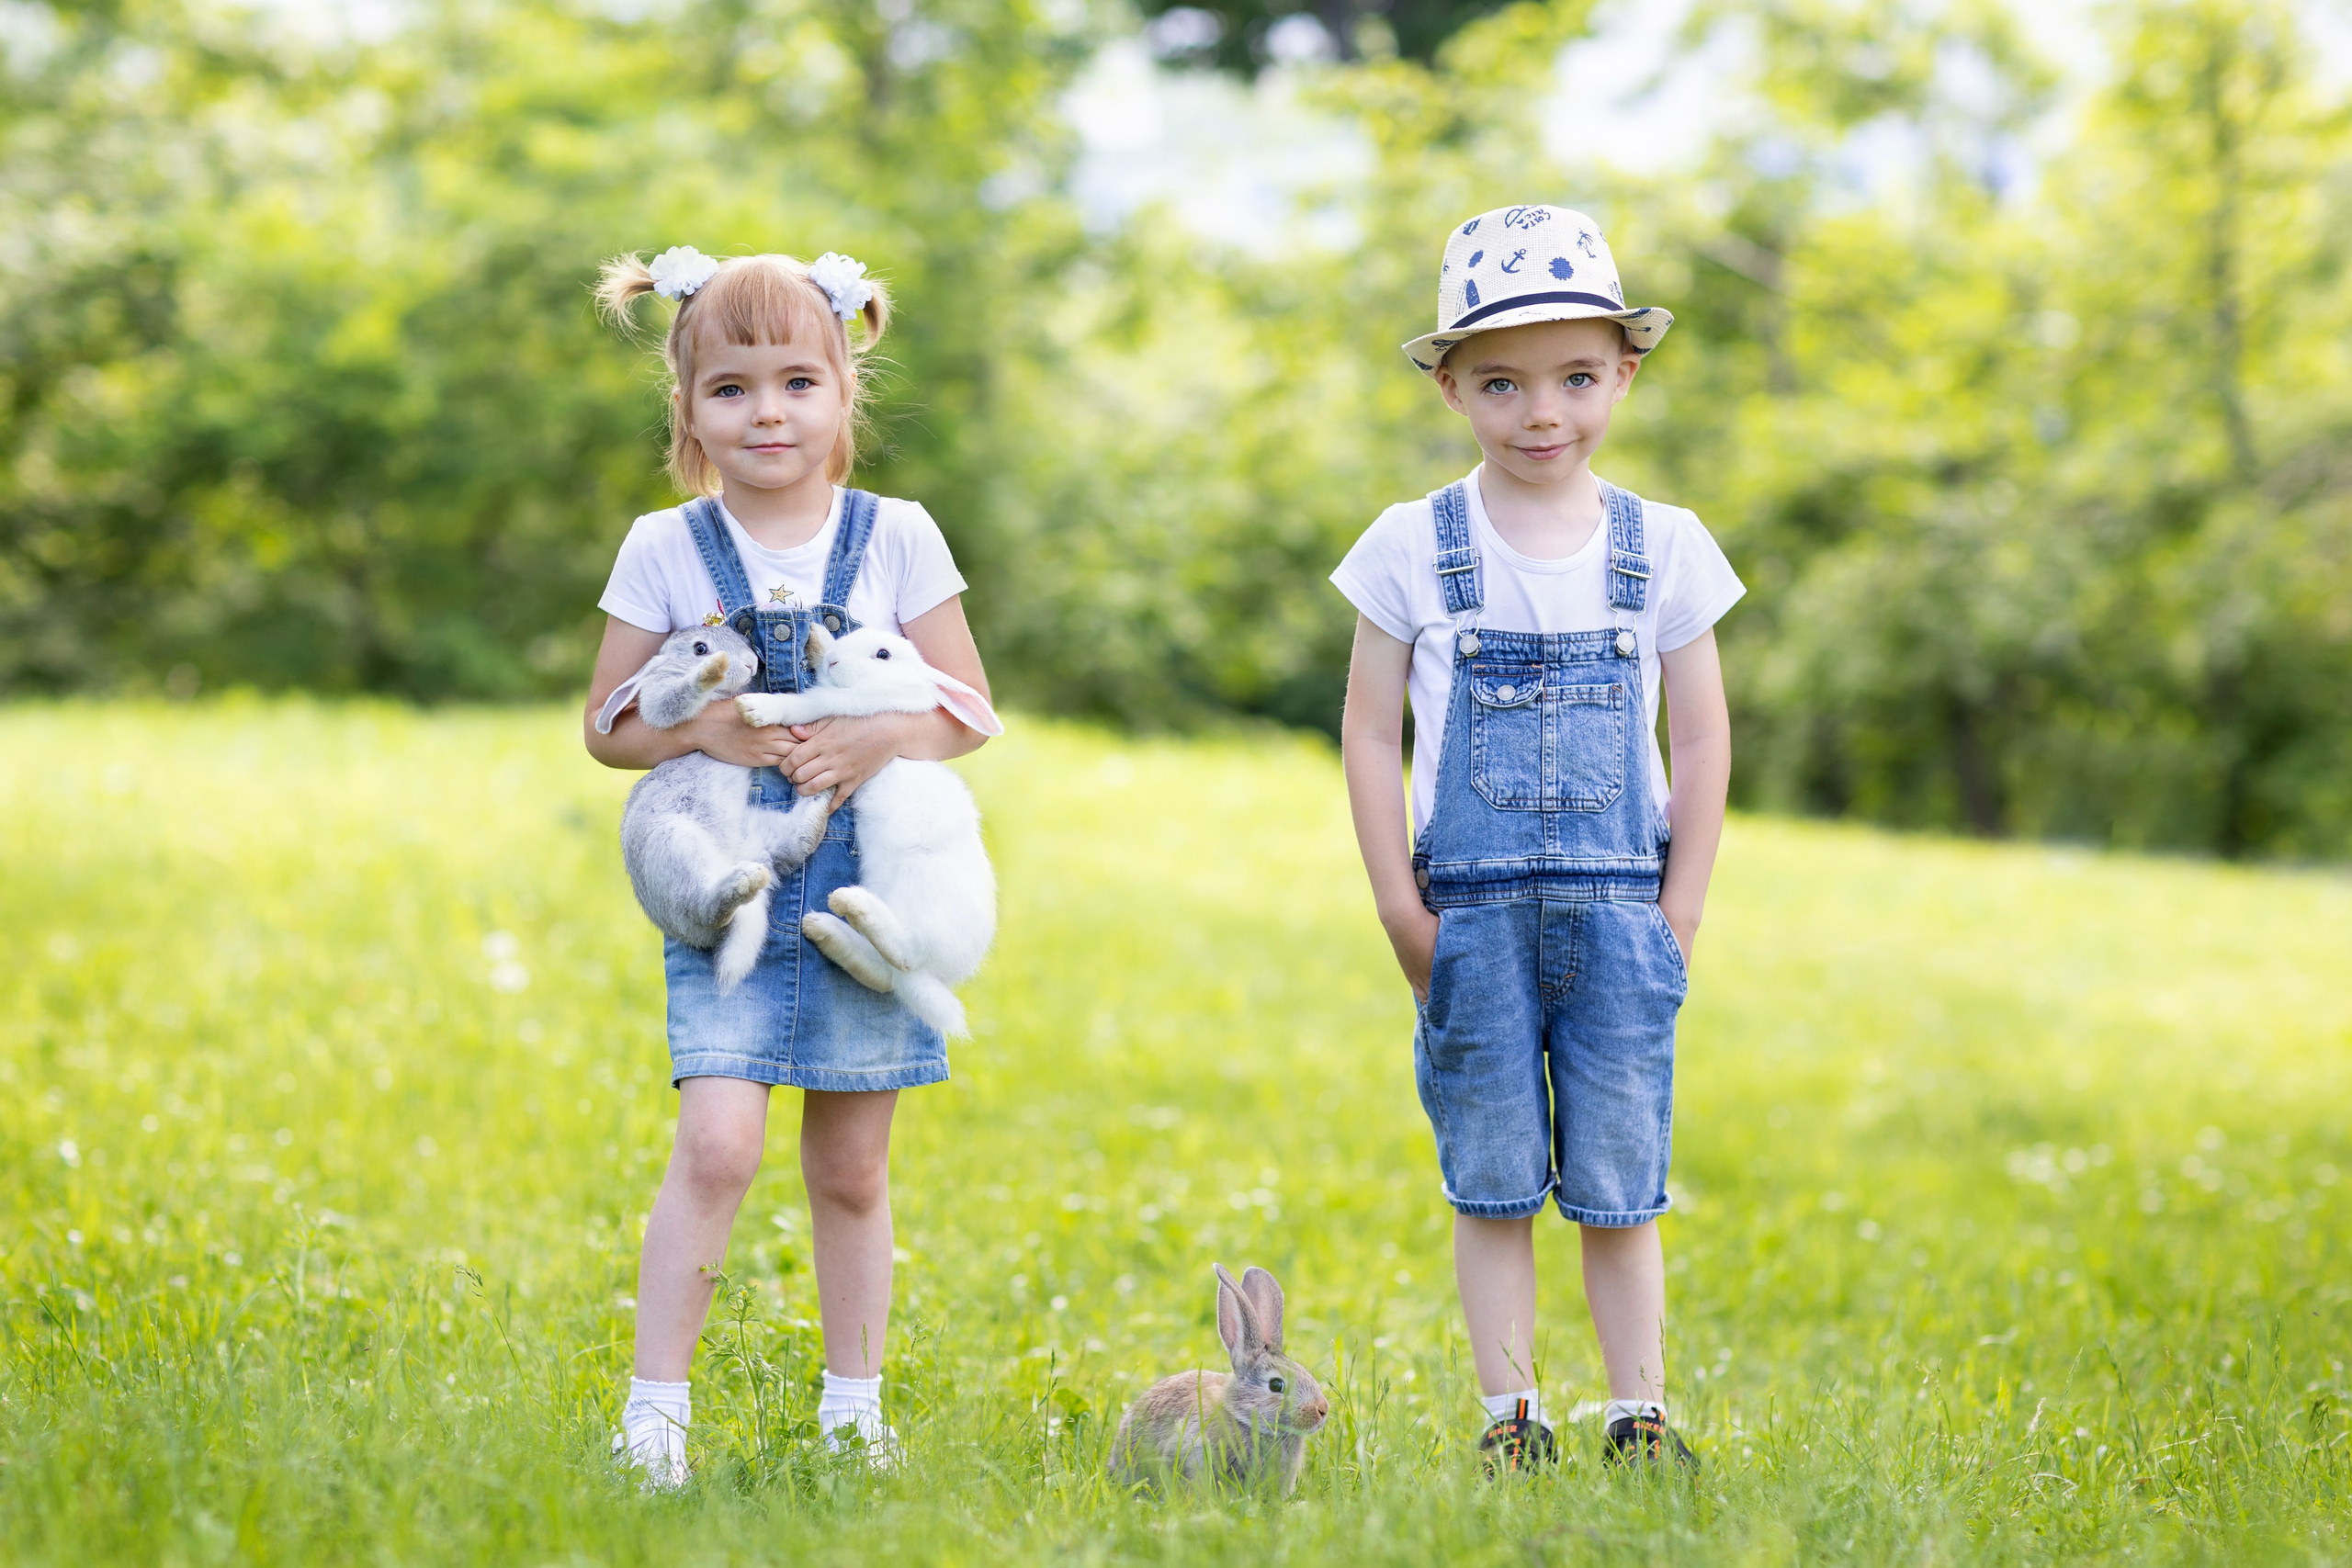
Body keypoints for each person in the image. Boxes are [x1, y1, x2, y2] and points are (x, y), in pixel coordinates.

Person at [1333, 206, 1742, 1472]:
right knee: (1493, 1178)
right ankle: (1511, 1417)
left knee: (1623, 1180)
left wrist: (1680, 908)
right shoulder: (1412, 545)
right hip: (1471, 916)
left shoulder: (1662, 546)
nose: (1541, 412)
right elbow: (1365, 735)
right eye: (1502, 383)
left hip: (1625, 914)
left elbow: (1705, 738)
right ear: (1452, 386)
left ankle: (1640, 1412)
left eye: (1575, 377)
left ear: (1624, 372)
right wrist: (1402, 907)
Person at [582, 246, 993, 1484]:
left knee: (853, 1166)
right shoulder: (667, 546)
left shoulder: (896, 538)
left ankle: (851, 1411)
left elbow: (970, 711)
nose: (768, 411)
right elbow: (607, 728)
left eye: (798, 381)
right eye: (732, 388)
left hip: (868, 880)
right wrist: (700, 727)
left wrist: (879, 736)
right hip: (729, 878)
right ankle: (656, 1418)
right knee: (717, 1142)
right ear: (688, 409)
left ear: (843, 392)